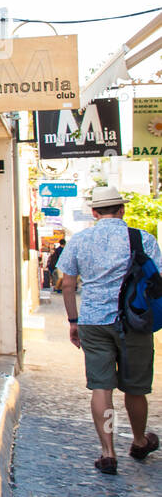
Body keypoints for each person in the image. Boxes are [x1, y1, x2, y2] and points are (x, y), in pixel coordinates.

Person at [58, 187, 161, 474]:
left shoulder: (79, 240)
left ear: (94, 212)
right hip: (134, 321)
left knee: (101, 387)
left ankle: (108, 452)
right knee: (135, 388)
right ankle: (139, 441)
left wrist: (73, 320)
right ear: (122, 210)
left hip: (93, 322)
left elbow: (68, 285)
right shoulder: (142, 239)